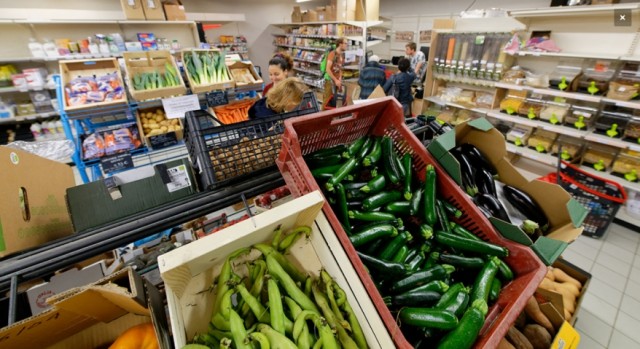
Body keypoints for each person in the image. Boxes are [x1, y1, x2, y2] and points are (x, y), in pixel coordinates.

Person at [324, 37, 347, 108]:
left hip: (337, 82)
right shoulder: (332, 54)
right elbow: (327, 69)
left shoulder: (341, 56)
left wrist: (339, 78)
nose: (347, 45)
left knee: (334, 102)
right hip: (330, 81)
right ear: (340, 44)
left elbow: (340, 69)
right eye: (345, 43)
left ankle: (330, 118)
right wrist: (335, 80)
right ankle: (322, 118)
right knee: (326, 102)